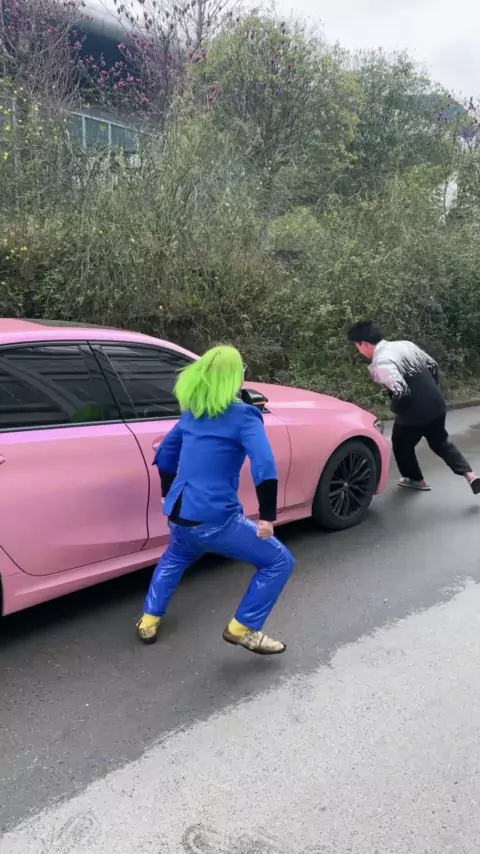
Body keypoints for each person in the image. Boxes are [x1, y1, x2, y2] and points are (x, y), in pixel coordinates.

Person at [136, 345, 295, 655]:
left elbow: (166, 452)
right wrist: (267, 516)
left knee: (175, 558)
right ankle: (242, 628)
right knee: (279, 562)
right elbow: (264, 464)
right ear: (234, 377)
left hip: (179, 511)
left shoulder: (193, 412)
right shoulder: (245, 415)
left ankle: (148, 620)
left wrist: (167, 489)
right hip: (214, 518)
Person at [347, 320, 480, 494]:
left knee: (401, 443)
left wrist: (397, 410)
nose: (359, 351)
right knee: (441, 442)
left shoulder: (381, 362)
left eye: (357, 346)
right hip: (436, 404)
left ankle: (416, 479)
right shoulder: (405, 344)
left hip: (414, 411)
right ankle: (471, 476)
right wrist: (431, 392)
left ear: (363, 343)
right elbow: (433, 366)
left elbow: (401, 392)